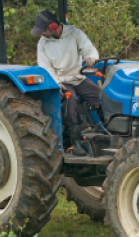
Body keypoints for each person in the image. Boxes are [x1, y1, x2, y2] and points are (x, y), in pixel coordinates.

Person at [32, 10, 100, 155]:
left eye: (43, 30)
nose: (41, 34)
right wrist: (57, 83)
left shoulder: (74, 34)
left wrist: (91, 57)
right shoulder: (43, 43)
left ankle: (102, 130)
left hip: (77, 77)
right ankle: (75, 143)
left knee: (99, 95)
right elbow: (45, 68)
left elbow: (89, 49)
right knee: (71, 99)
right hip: (60, 81)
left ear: (54, 26)